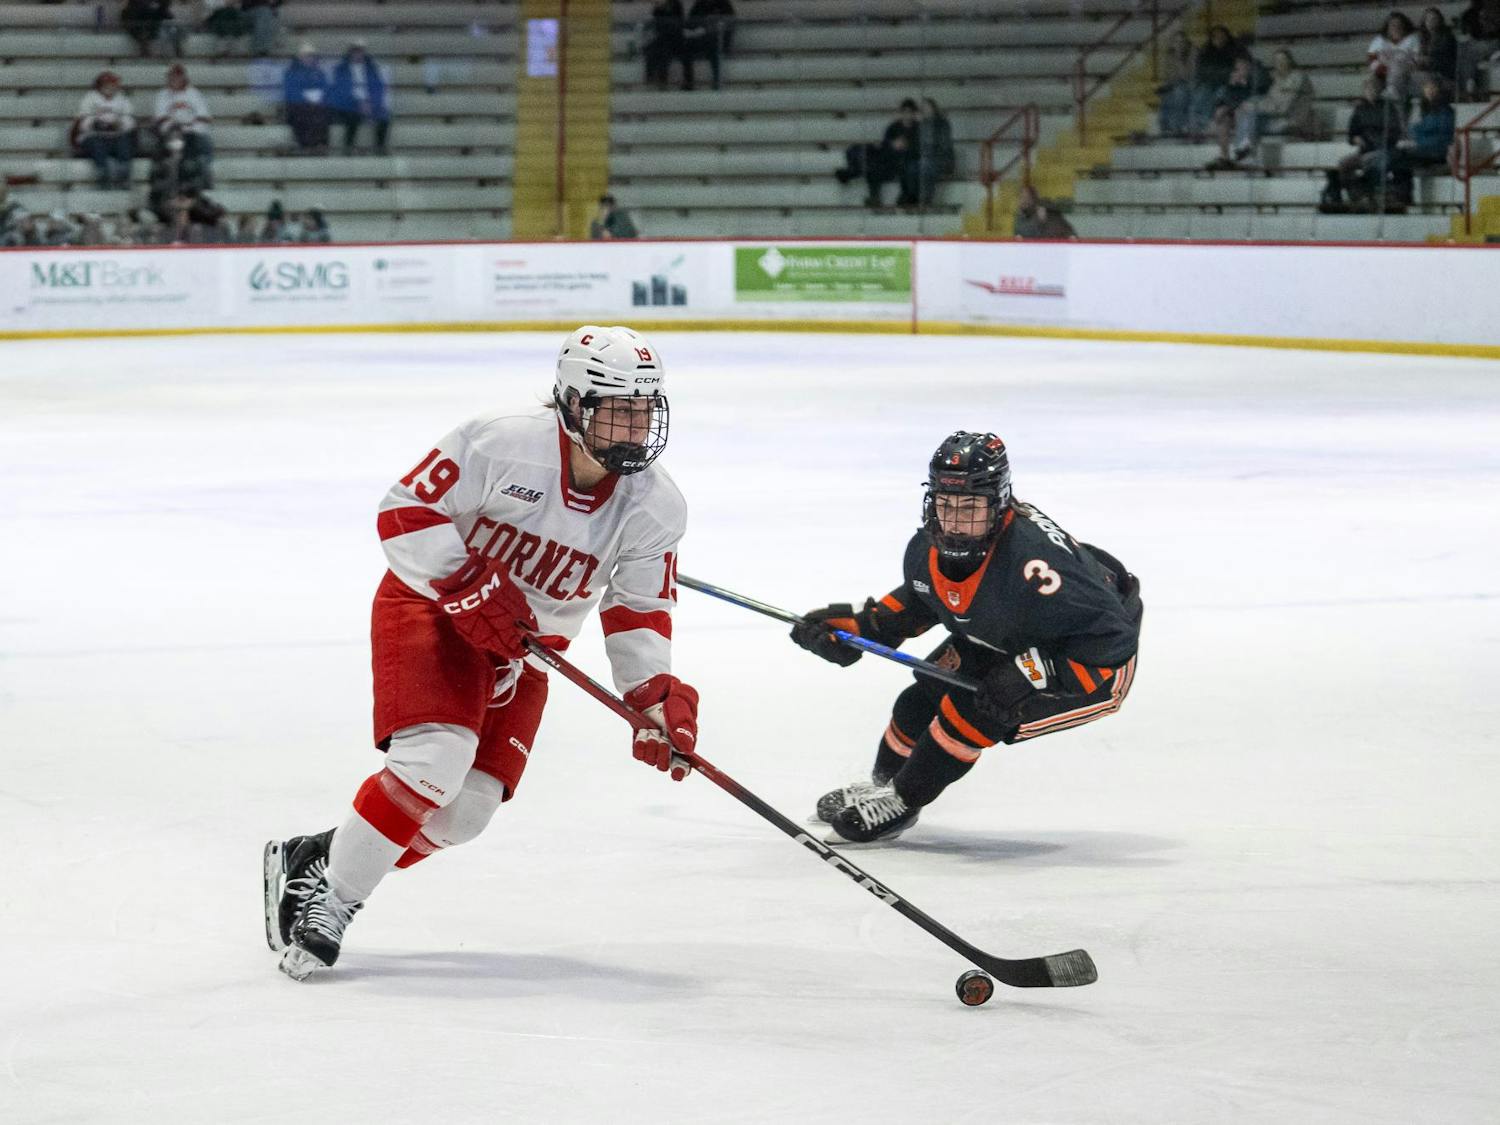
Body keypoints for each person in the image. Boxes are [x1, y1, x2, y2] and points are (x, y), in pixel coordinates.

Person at [264, 325, 697, 980]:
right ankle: (334, 900)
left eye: (643, 411)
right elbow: (405, 508)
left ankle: (322, 855)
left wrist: (653, 697)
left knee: (465, 812)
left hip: (525, 651)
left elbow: (637, 608)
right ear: (574, 405)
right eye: (617, 411)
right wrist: (465, 581)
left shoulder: (655, 505)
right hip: (432, 608)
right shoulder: (501, 441)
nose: (634, 428)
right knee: (434, 759)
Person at [790, 432, 1142, 845]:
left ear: (1000, 502)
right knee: (918, 702)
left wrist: (1034, 673)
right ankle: (882, 787)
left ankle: (903, 801)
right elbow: (925, 597)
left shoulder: (1037, 564)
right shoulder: (927, 546)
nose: (955, 521)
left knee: (974, 710)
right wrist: (861, 627)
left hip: (1086, 661)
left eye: (971, 507)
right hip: (1006, 635)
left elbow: (1112, 640)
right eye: (946, 505)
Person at [1322, 76, 1405, 209]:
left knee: (1371, 163)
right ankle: (1357, 196)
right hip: (1365, 149)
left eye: (1374, 89)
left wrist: (1381, 139)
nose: (1371, 92)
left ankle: (1369, 197)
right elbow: (1352, 133)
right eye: (1368, 89)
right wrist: (1356, 138)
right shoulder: (1360, 109)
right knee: (1344, 165)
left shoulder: (1388, 108)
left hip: (1384, 149)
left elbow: (1395, 131)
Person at [834, 98, 920, 208]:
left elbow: (919, 148)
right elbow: (885, 144)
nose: (907, 115)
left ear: (914, 113)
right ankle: (873, 197)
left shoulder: (918, 128)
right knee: (872, 165)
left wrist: (905, 146)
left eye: (910, 112)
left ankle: (851, 173)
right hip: (889, 160)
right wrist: (892, 145)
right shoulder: (893, 127)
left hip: (903, 162)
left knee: (875, 166)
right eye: (905, 112)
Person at [1391, 77, 1455, 203]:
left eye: (1433, 87)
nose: (1429, 91)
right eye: (1427, 88)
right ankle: (1400, 195)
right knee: (1395, 157)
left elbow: (1444, 138)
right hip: (1423, 149)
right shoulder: (1426, 109)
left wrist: (1419, 139)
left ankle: (1403, 197)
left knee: (1399, 159)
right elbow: (1413, 130)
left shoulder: (1446, 111)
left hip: (1437, 152)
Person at [328, 39, 391, 155]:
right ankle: (348, 147)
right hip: (349, 105)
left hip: (370, 103)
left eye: (360, 51)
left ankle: (380, 147)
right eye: (355, 52)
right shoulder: (341, 70)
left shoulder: (372, 69)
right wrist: (357, 103)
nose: (358, 54)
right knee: (352, 116)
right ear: (350, 53)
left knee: (384, 117)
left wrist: (371, 103)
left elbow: (378, 89)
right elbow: (340, 91)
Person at [75, 71, 137, 189]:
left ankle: (123, 176)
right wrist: (96, 123)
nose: (110, 87)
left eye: (113, 84)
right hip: (95, 135)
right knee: (97, 145)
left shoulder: (122, 99)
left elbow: (131, 121)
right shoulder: (90, 98)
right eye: (107, 84)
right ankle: (102, 175)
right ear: (100, 85)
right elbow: (82, 122)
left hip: (117, 134)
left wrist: (120, 124)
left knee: (125, 143)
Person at [153, 64, 214, 166]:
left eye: (178, 76)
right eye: (173, 77)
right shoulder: (162, 95)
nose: (175, 79)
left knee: (204, 141)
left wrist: (189, 124)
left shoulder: (194, 93)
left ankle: (200, 170)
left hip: (193, 130)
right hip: (172, 132)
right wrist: (176, 124)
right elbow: (160, 117)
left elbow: (204, 116)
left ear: (184, 78)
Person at [1207, 54, 1261, 168]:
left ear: (1249, 67)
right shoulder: (1231, 83)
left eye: (1243, 66)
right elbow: (1222, 100)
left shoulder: (1256, 80)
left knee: (1241, 111)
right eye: (1238, 67)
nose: (1240, 69)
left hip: (1255, 116)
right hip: (1236, 115)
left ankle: (1243, 153)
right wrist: (1231, 86)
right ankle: (1224, 157)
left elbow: (1252, 99)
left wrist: (1228, 106)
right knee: (1223, 120)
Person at [1188, 25, 1242, 136]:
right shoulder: (1206, 51)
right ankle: (1199, 126)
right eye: (1215, 36)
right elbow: (1202, 71)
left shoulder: (1234, 51)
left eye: (1221, 36)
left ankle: (1212, 124)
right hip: (1209, 84)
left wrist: (1217, 74)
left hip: (1228, 85)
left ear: (1227, 37)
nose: (1218, 39)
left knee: (1220, 94)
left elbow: (1232, 72)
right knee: (1200, 95)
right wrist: (1217, 74)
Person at [1259, 49, 1320, 140]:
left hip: (1296, 119)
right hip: (1276, 118)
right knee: (1251, 119)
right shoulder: (1274, 80)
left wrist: (1266, 108)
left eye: (1283, 59)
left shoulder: (1298, 77)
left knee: (1259, 124)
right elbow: (1268, 101)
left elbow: (1285, 105)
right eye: (1276, 60)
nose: (1280, 63)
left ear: (1289, 61)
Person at [282, 43, 330, 153]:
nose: (309, 58)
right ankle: (305, 144)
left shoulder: (319, 73)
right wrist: (306, 98)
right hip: (298, 104)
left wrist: (320, 97)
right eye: (306, 56)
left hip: (317, 103)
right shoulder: (291, 72)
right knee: (303, 112)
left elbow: (326, 88)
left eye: (311, 56)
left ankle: (321, 144)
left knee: (323, 111)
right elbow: (290, 91)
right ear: (300, 57)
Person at [1369, 11, 1423, 106]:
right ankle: (1373, 111)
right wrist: (1388, 71)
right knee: (1370, 85)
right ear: (1387, 27)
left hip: (1407, 73)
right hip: (1383, 74)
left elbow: (1416, 60)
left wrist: (1398, 68)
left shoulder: (1412, 39)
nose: (1396, 27)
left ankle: (1393, 92)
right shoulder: (1379, 40)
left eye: (1399, 25)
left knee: (1397, 64)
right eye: (1393, 25)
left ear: (1405, 26)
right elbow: (1372, 61)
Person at [681, 0, 734, 91]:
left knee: (714, 52)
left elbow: (730, 22)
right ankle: (688, 82)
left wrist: (710, 29)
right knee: (685, 49)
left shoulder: (724, 4)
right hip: (700, 39)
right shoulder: (699, 4)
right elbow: (690, 22)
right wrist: (692, 30)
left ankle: (717, 81)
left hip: (717, 41)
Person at [916, 96, 955, 207]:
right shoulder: (920, 124)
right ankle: (910, 199)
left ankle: (926, 199)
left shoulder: (942, 124)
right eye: (923, 108)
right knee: (916, 166)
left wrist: (924, 124)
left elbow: (944, 146)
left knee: (926, 165)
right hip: (924, 159)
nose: (925, 110)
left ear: (934, 108)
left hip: (942, 159)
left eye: (928, 107)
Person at [1156, 31, 1197, 136]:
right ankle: (1165, 126)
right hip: (1174, 84)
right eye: (1176, 42)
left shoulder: (1192, 53)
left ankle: (1177, 126)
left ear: (1185, 42)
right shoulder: (1169, 55)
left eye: (1181, 41)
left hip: (1190, 83)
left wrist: (1179, 59)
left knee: (1179, 93)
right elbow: (1168, 75)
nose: (1178, 44)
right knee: (1166, 94)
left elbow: (1187, 75)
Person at [1456, 0, 1500, 98]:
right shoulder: (1468, 14)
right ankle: (1469, 84)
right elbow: (1464, 34)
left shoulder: (1496, 11)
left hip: (1495, 44)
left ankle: (1469, 83)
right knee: (1464, 51)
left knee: (1470, 51)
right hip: (1475, 45)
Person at [642, 0, 685, 90]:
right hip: (660, 38)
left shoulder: (677, 5)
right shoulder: (658, 8)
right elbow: (654, 22)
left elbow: (680, 22)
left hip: (674, 39)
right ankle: (649, 78)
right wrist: (659, 8)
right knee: (650, 52)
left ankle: (663, 82)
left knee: (664, 56)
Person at [1416, 8, 1459, 91]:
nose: (1430, 22)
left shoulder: (1447, 38)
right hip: (1426, 72)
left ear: (1440, 21)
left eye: (1434, 19)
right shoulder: (1423, 38)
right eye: (1428, 19)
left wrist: (1428, 61)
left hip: (1443, 74)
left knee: (1427, 80)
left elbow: (1446, 61)